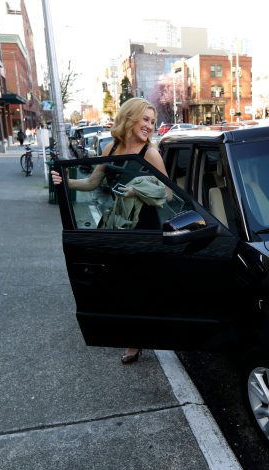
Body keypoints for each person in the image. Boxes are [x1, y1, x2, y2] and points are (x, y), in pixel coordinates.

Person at [51, 97, 167, 365]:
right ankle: (130, 335)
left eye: (152, 121)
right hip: (119, 226)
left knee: (140, 286)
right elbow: (92, 183)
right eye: (145, 119)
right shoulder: (111, 148)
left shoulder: (150, 153)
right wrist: (65, 182)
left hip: (145, 228)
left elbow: (168, 192)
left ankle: (138, 339)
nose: (149, 126)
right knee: (120, 284)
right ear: (129, 117)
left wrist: (138, 190)